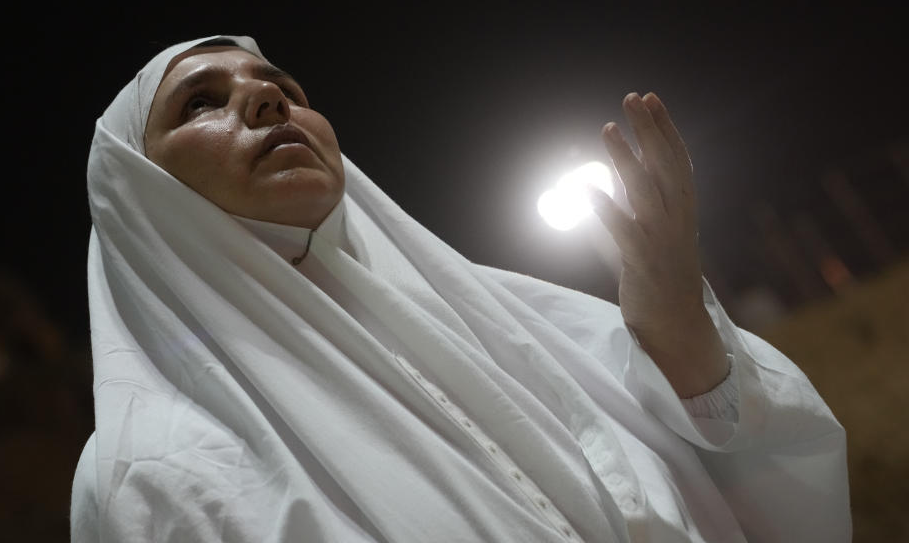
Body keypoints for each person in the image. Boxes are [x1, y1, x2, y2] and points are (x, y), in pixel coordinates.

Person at [70, 35, 851, 542]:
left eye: (282, 86)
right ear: (142, 196)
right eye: (199, 102)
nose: (270, 100)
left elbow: (757, 485)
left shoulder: (499, 320)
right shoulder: (151, 476)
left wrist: (679, 325)